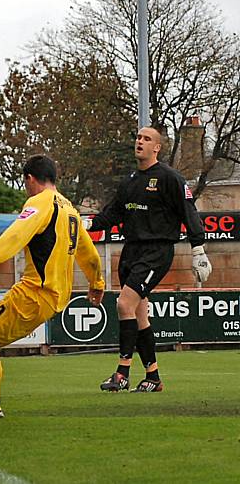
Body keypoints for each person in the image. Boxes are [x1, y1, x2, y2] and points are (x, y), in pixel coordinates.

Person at [0, 155, 105, 420]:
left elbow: (17, 233)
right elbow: (89, 254)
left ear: (30, 179)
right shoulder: (70, 209)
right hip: (50, 296)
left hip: (34, 293)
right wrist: (97, 282)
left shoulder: (40, 202)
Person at [86, 126, 212, 393]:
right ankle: (153, 377)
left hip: (157, 252)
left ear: (157, 147)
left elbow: (188, 212)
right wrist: (82, 223)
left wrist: (198, 249)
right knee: (139, 316)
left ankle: (122, 373)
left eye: (146, 139)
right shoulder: (130, 181)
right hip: (131, 251)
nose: (139, 142)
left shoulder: (170, 178)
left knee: (123, 304)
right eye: (138, 138)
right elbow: (111, 215)